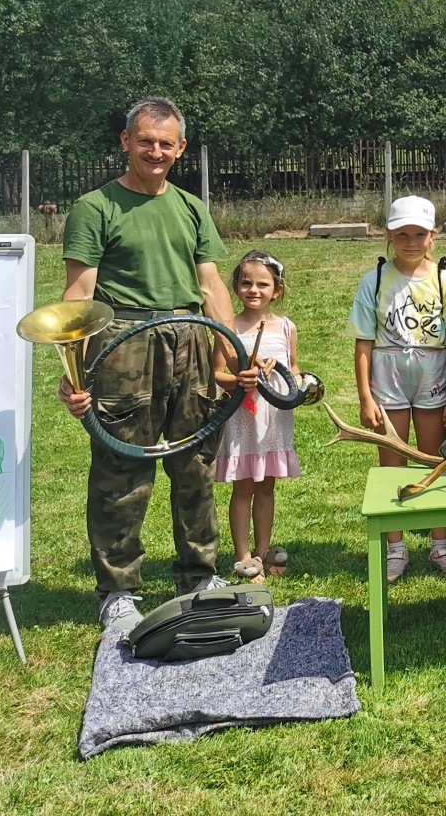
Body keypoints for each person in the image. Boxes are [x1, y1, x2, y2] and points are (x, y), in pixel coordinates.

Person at [59, 96, 257, 633]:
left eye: (165, 143)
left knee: (196, 465)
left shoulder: (191, 207)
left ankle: (199, 576)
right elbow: (79, 293)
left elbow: (211, 285)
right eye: (145, 141)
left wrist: (231, 355)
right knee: (122, 470)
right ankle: (118, 591)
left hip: (189, 339)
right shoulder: (95, 208)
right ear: (126, 141)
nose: (155, 151)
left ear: (181, 148)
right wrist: (73, 372)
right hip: (123, 342)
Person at [349, 195, 446, 582]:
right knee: (392, 464)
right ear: (389, 235)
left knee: (435, 461)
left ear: (433, 236)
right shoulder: (374, 280)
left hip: (433, 374)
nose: (411, 242)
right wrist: (365, 396)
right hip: (389, 375)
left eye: (419, 234)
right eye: (402, 235)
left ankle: (440, 544)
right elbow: (363, 342)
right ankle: (395, 547)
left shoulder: (444, 280)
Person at [214, 250, 301, 584]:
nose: (254, 290)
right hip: (242, 419)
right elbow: (216, 374)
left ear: (276, 290)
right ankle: (243, 557)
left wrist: (296, 382)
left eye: (262, 284)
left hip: (273, 420)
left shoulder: (286, 328)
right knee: (244, 488)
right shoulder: (228, 329)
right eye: (246, 283)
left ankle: (263, 551)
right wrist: (239, 380)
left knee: (266, 488)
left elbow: (294, 369)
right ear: (236, 286)